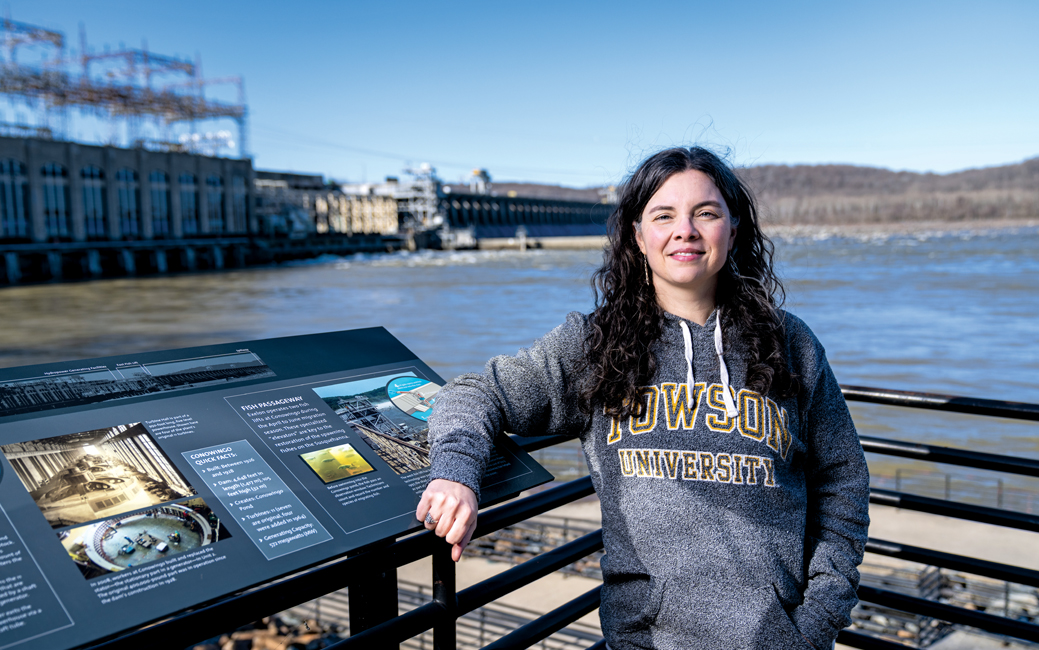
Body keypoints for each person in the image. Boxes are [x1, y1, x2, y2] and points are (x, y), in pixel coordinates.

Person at [416, 146, 870, 650]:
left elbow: (843, 479)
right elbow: (474, 393)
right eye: (664, 215)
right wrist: (456, 474)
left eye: (706, 213)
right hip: (646, 642)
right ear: (637, 235)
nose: (686, 231)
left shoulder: (792, 343)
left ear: (733, 229)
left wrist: (816, 624)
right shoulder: (595, 345)